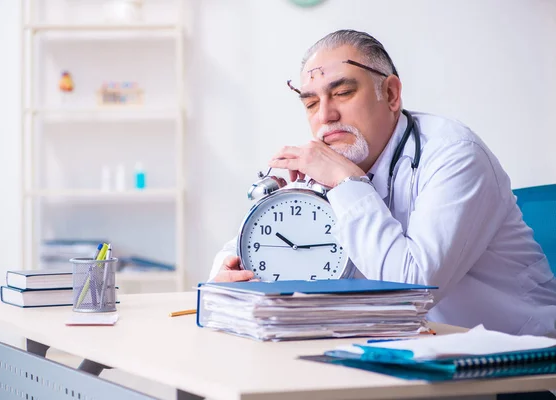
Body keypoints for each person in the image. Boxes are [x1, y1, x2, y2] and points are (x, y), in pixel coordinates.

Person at [209, 29, 556, 338]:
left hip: (516, 368)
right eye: (311, 102)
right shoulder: (333, 165)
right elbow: (262, 245)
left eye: (342, 92)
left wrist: (347, 183)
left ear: (391, 94)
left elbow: (411, 289)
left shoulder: (455, 154)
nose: (324, 116)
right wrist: (229, 274)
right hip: (405, 358)